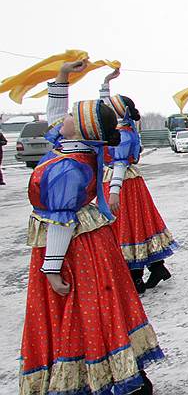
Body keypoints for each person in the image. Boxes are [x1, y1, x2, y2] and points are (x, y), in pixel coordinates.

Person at [19, 60, 162, 394]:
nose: (63, 118)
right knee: (95, 307)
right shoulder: (71, 150)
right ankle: (120, 372)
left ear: (81, 129)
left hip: (74, 249)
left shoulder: (69, 166)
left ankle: (112, 373)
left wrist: (52, 267)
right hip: (86, 243)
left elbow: (61, 221)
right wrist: (61, 78)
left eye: (72, 115)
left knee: (85, 309)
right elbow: (57, 116)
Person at [100, 69, 177, 293]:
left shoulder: (123, 134)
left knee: (128, 228)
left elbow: (120, 163)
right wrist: (106, 84)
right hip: (127, 183)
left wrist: (114, 190)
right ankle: (156, 267)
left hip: (123, 183)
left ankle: (135, 276)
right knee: (136, 225)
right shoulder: (122, 128)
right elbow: (104, 107)